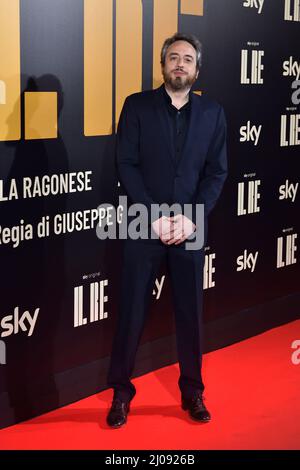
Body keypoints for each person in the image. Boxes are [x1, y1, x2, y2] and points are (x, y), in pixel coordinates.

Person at [106, 32, 227, 427]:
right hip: (145, 222)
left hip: (190, 224)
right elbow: (126, 164)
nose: (180, 63)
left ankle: (193, 392)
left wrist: (192, 218)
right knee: (132, 312)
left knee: (190, 313)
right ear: (162, 65)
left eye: (187, 59)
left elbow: (216, 173)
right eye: (173, 57)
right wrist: (155, 215)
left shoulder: (212, 114)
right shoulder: (136, 106)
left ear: (196, 68)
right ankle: (121, 394)